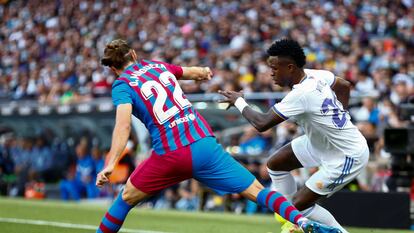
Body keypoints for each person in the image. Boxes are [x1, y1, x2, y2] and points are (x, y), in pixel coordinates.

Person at [95, 39, 340, 233]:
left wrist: (111, 163)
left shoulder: (122, 85)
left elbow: (123, 126)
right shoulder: (157, 66)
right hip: (203, 145)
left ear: (114, 68)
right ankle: (302, 222)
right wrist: (203, 72)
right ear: (135, 55)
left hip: (170, 153)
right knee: (258, 191)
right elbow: (189, 71)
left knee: (126, 198)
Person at [219, 38, 369, 233]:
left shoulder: (301, 94)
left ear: (290, 67)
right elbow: (344, 85)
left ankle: (311, 222)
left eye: (274, 68)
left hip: (346, 154)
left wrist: (239, 102)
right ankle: (289, 218)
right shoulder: (316, 75)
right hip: (321, 143)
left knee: (298, 208)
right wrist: (342, 113)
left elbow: (262, 123)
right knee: (276, 164)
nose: (271, 73)